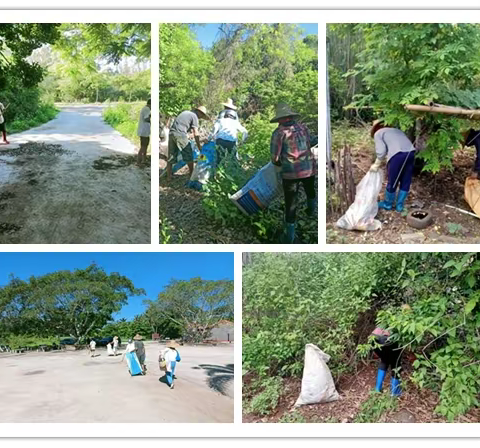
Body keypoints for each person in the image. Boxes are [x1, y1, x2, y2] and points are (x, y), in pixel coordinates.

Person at [270, 102, 316, 243]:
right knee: (310, 190)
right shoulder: (303, 127)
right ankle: (311, 212)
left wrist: (278, 164)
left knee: (291, 203)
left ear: (280, 119)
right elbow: (311, 143)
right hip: (308, 167)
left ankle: (289, 237)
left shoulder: (278, 133)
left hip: (291, 172)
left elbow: (275, 157)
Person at [369, 119, 417, 212]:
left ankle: (388, 204)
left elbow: (381, 151)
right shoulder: (396, 130)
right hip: (411, 153)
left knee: (393, 180)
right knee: (406, 179)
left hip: (397, 155)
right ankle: (399, 206)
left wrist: (376, 164)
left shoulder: (378, 133)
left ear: (376, 128)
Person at [372, 304, 411, 397]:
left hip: (374, 340)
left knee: (384, 361)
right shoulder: (404, 321)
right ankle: (395, 392)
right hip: (387, 341)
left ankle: (377, 389)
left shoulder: (389, 317)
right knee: (396, 364)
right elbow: (405, 341)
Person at [166, 106, 210, 181]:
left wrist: (201, 140)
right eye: (202, 116)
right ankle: (191, 176)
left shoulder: (186, 113)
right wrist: (199, 147)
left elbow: (188, 133)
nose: (201, 118)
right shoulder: (194, 116)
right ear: (199, 113)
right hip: (180, 134)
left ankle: (168, 176)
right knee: (189, 155)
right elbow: (196, 134)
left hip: (171, 133)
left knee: (171, 156)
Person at [137, 99, 151, 165]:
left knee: (145, 146)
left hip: (144, 131)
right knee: (143, 146)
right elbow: (146, 119)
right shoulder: (147, 109)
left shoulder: (145, 109)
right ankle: (138, 161)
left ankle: (143, 160)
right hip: (144, 131)